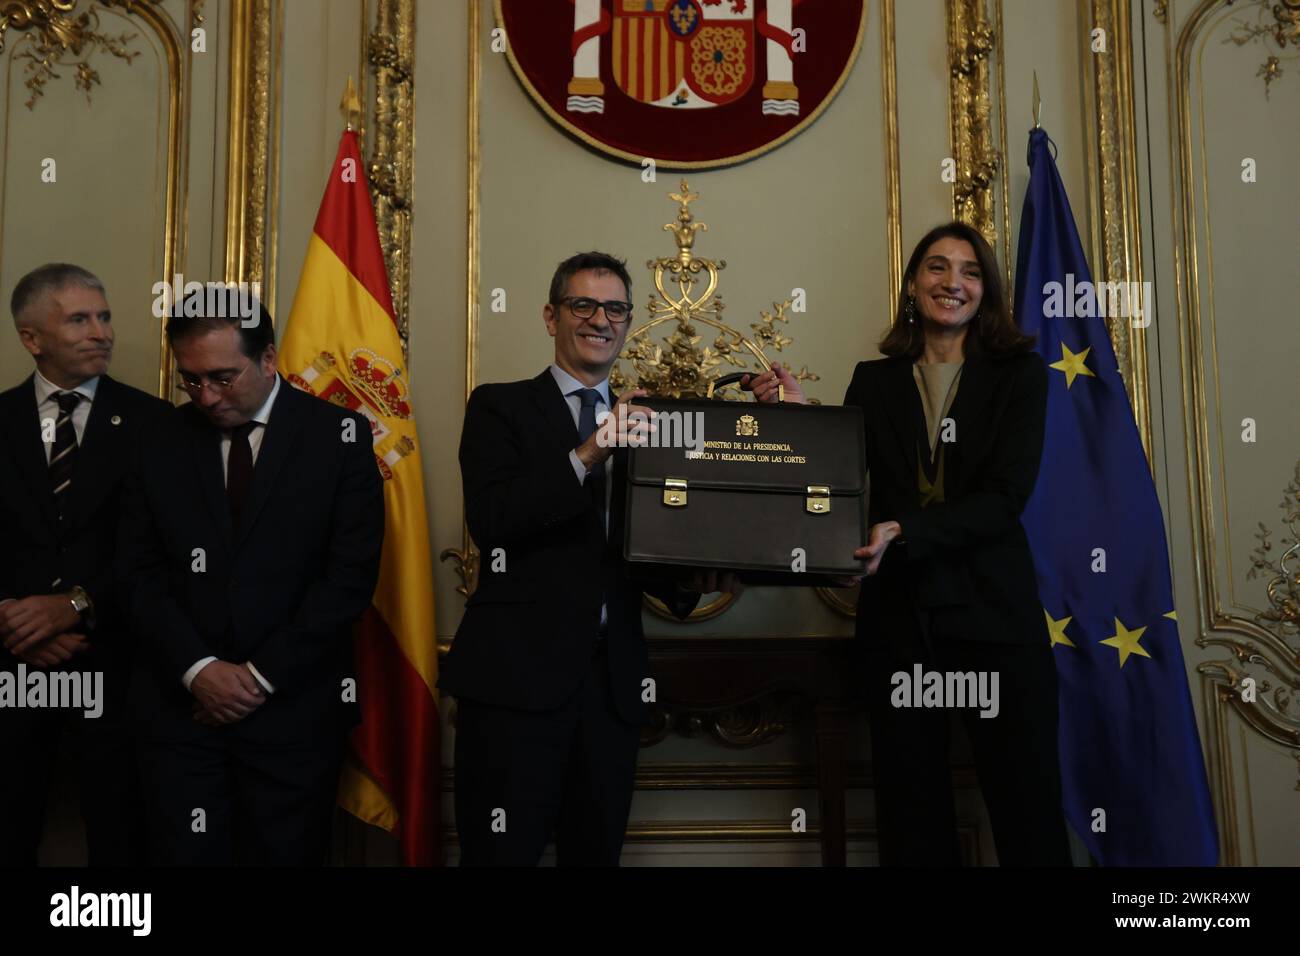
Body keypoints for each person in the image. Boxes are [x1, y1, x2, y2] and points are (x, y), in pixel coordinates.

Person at [750, 222, 1072, 865]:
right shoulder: (874, 380)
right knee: (910, 810)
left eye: (970, 271)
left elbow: (1006, 499)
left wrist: (904, 529)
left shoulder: (1020, 376)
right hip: (899, 620)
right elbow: (838, 479)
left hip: (995, 620)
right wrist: (799, 412)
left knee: (1026, 807)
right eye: (936, 267)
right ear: (913, 284)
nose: (952, 282)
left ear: (987, 291)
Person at [441, 251, 731, 866]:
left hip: (612, 688)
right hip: (513, 685)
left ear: (627, 323)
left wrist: (703, 576)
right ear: (552, 316)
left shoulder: (658, 425)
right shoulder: (499, 406)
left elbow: (668, 549)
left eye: (615, 309)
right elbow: (495, 524)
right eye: (583, 305)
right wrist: (594, 448)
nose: (600, 319)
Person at [118, 287, 383, 865]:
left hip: (294, 713)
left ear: (268, 359)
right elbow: (136, 572)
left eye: (222, 377)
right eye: (190, 380)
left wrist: (257, 679)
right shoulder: (156, 438)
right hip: (178, 712)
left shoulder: (340, 437)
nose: (206, 396)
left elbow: (348, 580)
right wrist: (199, 671)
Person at [0, 264, 170, 866]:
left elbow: (165, 550)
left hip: (118, 667)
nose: (101, 332)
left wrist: (74, 606)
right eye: (79, 319)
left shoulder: (157, 424)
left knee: (121, 834)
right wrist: (14, 622)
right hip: (12, 665)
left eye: (104, 317)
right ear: (31, 338)